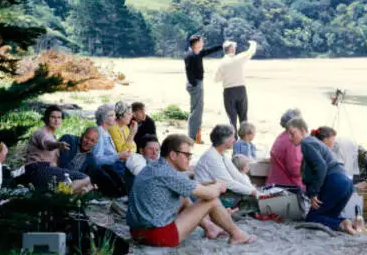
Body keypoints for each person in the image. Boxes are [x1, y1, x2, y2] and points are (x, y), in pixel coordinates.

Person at [126, 133, 257, 247]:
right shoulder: (169, 174)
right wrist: (218, 185)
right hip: (158, 236)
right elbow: (210, 194)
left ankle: (210, 227)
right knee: (212, 201)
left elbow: (188, 184)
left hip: (138, 232)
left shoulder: (157, 166)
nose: (190, 158)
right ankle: (237, 235)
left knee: (183, 197)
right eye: (187, 155)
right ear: (172, 155)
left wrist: (211, 183)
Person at [285, 117, 362, 235]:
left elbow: (321, 167)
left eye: (292, 133)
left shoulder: (306, 142)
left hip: (336, 181)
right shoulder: (315, 142)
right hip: (347, 182)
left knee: (312, 218)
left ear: (301, 130)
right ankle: (347, 223)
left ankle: (342, 224)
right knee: (327, 217)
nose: (290, 138)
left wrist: (314, 192)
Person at [23, 105, 92, 192]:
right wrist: (57, 144)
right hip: (37, 170)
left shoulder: (52, 136)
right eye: (53, 117)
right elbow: (47, 144)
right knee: (85, 178)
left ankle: (65, 196)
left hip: (48, 171)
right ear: (47, 118)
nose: (56, 120)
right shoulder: (41, 133)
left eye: (59, 117)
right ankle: (62, 195)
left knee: (88, 186)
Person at [194, 124, 258, 198]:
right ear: (225, 140)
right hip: (204, 196)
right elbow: (228, 183)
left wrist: (253, 189)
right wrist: (251, 192)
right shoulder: (211, 157)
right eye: (233, 137)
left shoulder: (222, 155)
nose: (234, 140)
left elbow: (236, 175)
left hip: (215, 193)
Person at [87, 103, 132, 198]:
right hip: (107, 170)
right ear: (103, 119)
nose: (115, 117)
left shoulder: (106, 132)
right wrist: (118, 156)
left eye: (114, 115)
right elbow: (97, 160)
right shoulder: (99, 133)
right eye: (111, 115)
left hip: (114, 167)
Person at [184, 34, 222, 143]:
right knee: (196, 111)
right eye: (201, 41)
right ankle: (192, 137)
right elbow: (188, 71)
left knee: (197, 110)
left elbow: (207, 51)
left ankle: (196, 136)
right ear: (196, 43)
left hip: (197, 83)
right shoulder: (190, 55)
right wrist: (195, 84)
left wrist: (221, 46)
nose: (203, 43)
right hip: (195, 85)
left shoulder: (197, 53)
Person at [214, 39, 257, 133]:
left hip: (228, 91)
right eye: (234, 48)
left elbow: (216, 79)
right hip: (241, 90)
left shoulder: (221, 63)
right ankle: (244, 137)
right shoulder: (239, 58)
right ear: (231, 49)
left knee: (232, 118)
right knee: (243, 116)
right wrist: (252, 43)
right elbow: (251, 51)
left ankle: (233, 139)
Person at [266, 108, 304, 191]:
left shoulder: (281, 136)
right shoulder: (293, 140)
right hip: (288, 188)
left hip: (275, 183)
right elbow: (295, 169)